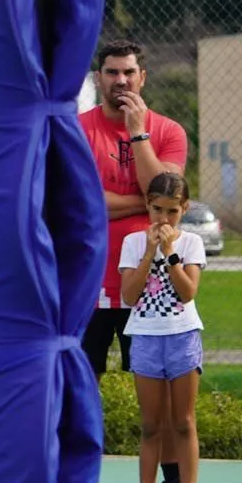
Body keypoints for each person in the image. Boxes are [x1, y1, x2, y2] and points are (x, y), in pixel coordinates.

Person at [79, 41, 189, 389]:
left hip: (147, 283)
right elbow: (80, 204)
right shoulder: (77, 130)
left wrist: (138, 132)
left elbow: (167, 197)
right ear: (99, 78)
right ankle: (84, 447)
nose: (121, 80)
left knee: (154, 394)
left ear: (142, 77)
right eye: (112, 72)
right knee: (80, 386)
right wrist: (147, 203)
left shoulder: (168, 132)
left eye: (129, 72)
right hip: (87, 283)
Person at [111, 174, 208, 483]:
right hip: (146, 338)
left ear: (184, 209)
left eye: (172, 211)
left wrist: (170, 253)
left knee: (182, 422)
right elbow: (130, 296)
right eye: (156, 210)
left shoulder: (192, 243)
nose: (163, 220)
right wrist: (150, 250)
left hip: (181, 337)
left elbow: (187, 292)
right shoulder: (134, 242)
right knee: (151, 425)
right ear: (148, 206)